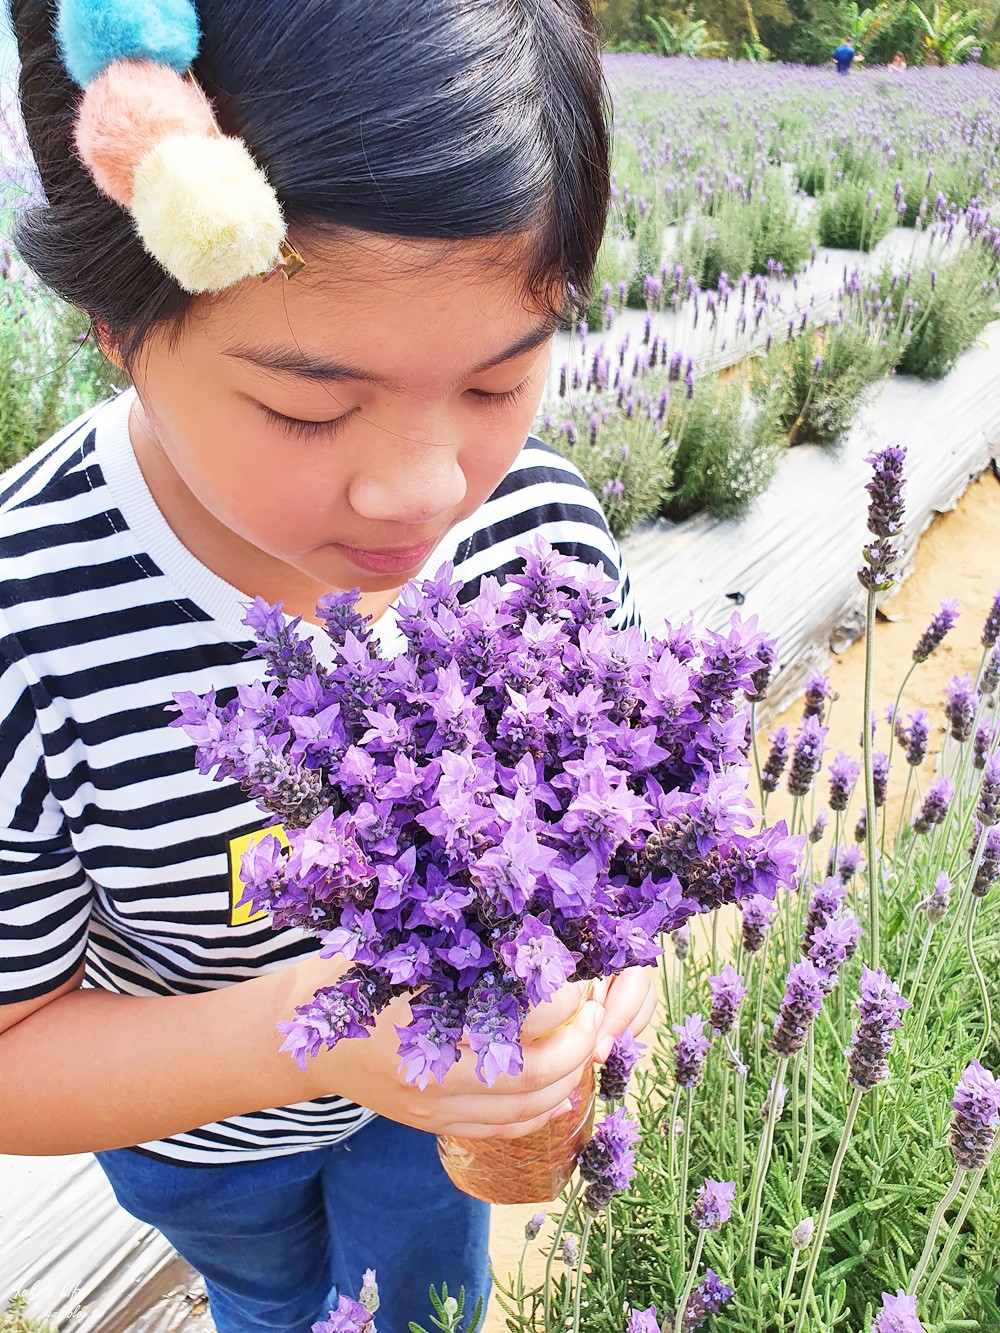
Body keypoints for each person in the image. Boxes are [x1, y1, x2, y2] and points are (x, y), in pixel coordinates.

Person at [0, 2, 659, 1332]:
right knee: (274, 1297)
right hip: (199, 1138)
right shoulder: (32, 629)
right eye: (307, 405)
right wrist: (316, 1027)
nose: (424, 489)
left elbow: (632, 843)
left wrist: (609, 979)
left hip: (441, 1108)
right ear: (115, 326)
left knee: (425, 1294)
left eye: (497, 383)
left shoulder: (539, 545)